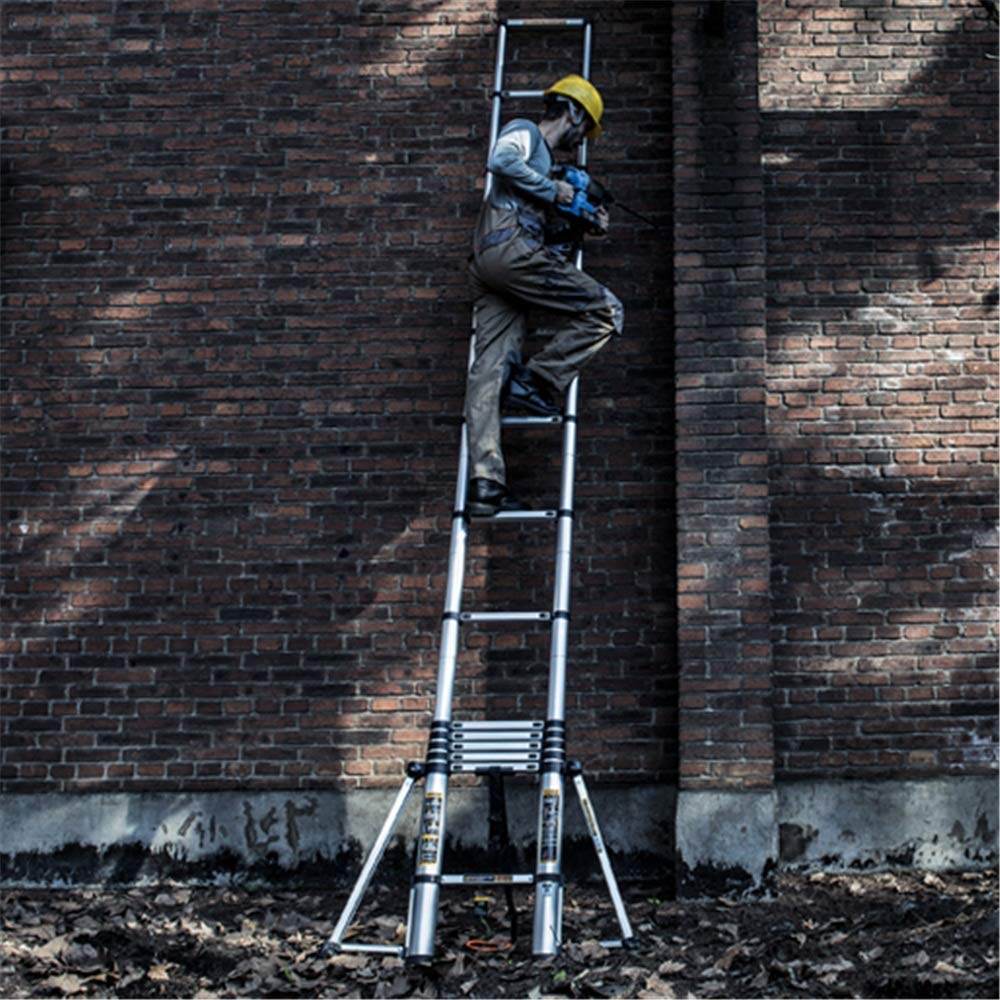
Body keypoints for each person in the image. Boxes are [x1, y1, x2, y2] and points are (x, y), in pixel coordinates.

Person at [464, 74, 625, 517]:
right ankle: (536, 380)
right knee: (607, 311)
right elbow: (500, 159)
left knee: (488, 368)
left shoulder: (544, 167)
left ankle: (485, 484)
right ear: (572, 111)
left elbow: (547, 247)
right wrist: (554, 190)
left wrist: (581, 225)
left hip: (496, 267)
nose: (578, 140)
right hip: (509, 253)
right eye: (583, 127)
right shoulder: (525, 132)